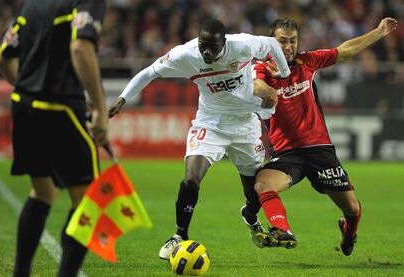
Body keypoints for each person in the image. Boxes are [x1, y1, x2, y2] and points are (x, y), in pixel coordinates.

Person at [108, 18, 290, 260]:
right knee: (192, 178)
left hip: (245, 125)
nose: (206, 51)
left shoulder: (243, 45)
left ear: (223, 43)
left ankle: (250, 215)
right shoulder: (186, 54)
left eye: (212, 47)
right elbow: (149, 72)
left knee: (254, 191)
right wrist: (123, 98)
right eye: (202, 45)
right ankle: (179, 235)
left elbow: (271, 44)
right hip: (210, 123)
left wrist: (284, 74)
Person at [251, 17, 398, 254]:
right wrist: (268, 88)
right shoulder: (263, 68)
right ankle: (282, 230)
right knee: (263, 183)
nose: (288, 47)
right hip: (287, 154)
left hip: (319, 150)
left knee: (352, 209)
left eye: (292, 41)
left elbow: (345, 51)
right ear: (271, 43)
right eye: (282, 42)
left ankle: (349, 232)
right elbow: (256, 85)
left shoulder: (306, 61)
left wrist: (379, 32)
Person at [0, 0, 108, 276]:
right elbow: (80, 47)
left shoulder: (34, 3)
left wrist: (28, 86)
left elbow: (3, 57)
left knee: (43, 191)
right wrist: (100, 108)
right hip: (60, 107)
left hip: (24, 105)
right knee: (88, 201)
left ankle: (20, 273)